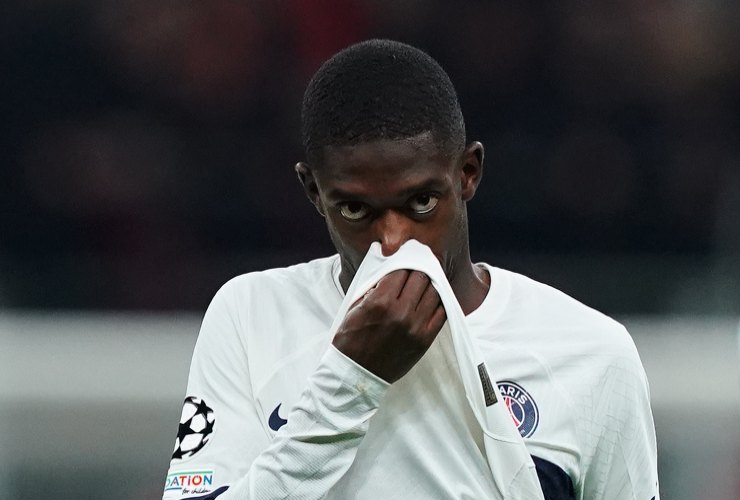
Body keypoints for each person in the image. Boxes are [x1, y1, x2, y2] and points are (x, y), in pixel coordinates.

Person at [163, 39, 659, 500]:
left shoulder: (591, 354)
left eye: (421, 201)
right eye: (356, 210)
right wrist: (350, 384)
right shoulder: (251, 315)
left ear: (468, 173)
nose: (393, 239)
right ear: (314, 191)